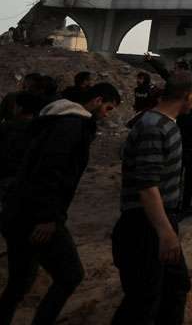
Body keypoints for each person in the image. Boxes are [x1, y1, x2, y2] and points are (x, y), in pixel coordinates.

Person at [0, 83, 121, 324]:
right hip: (36, 215)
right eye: (108, 108)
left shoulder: (55, 118)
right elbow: (51, 171)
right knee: (70, 275)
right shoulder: (72, 125)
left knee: (20, 281)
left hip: (18, 209)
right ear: (97, 100)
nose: (106, 115)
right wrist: (48, 218)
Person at [110, 72, 192, 324]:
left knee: (175, 287)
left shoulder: (165, 123)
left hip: (158, 219)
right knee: (144, 299)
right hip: (145, 223)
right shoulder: (153, 127)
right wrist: (165, 232)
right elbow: (147, 186)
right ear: (189, 95)